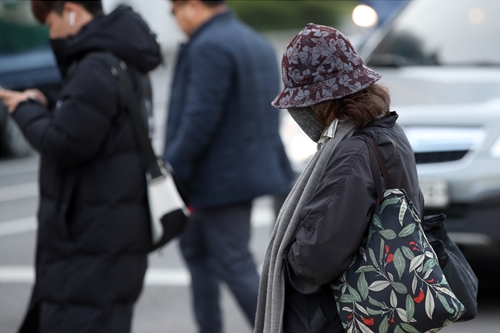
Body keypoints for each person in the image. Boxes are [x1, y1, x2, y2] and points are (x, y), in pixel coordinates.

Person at [0, 1, 162, 332]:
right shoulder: (122, 59)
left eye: (51, 22)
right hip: (113, 230)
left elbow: (64, 144)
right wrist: (52, 108)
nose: (52, 34)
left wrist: (25, 108)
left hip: (90, 241)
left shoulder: (95, 67)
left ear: (71, 11)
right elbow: (91, 129)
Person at [254, 24, 424, 333]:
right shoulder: (388, 131)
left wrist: (289, 255)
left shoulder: (352, 153)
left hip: (340, 319)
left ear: (320, 104)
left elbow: (314, 260)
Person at [164, 0, 294, 332]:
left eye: (173, 10)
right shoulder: (255, 41)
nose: (174, 19)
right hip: (242, 173)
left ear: (192, 6)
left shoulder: (208, 46)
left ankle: (277, 328)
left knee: (233, 263)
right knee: (198, 254)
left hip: (214, 179)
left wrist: (171, 169)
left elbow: (199, 119)